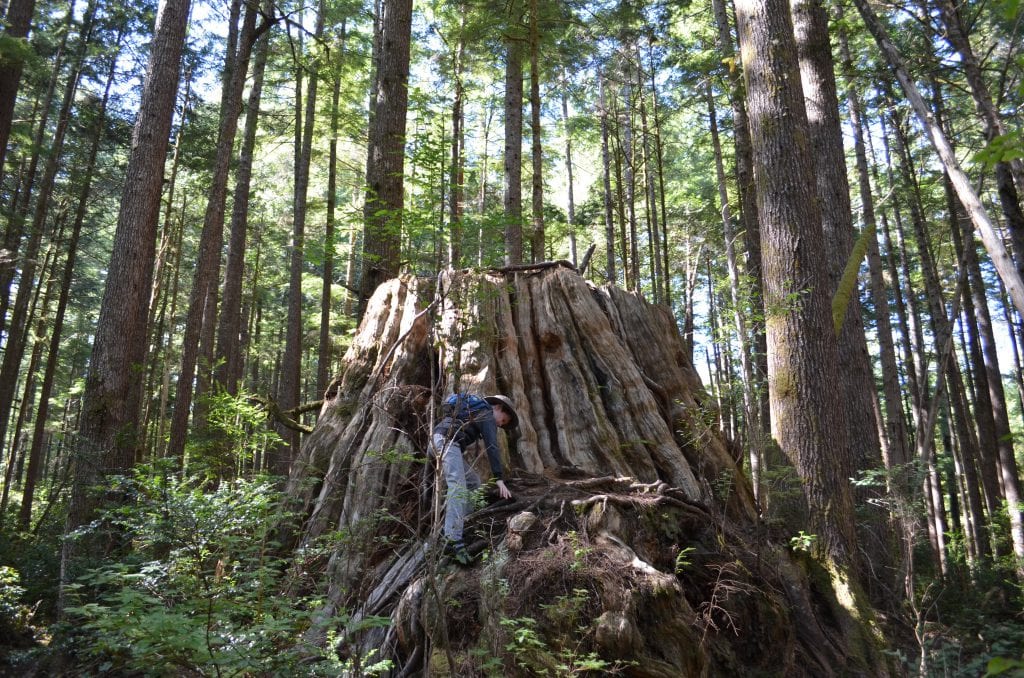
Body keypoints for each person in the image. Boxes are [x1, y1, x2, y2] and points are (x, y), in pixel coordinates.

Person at [431, 393, 518, 565]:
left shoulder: (476, 410)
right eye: (503, 420)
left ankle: (462, 525)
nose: (501, 424)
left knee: (473, 482)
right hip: (447, 441)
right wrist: (498, 478)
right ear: (499, 408)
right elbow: (492, 446)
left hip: (441, 440)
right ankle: (452, 540)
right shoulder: (486, 412)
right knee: (458, 486)